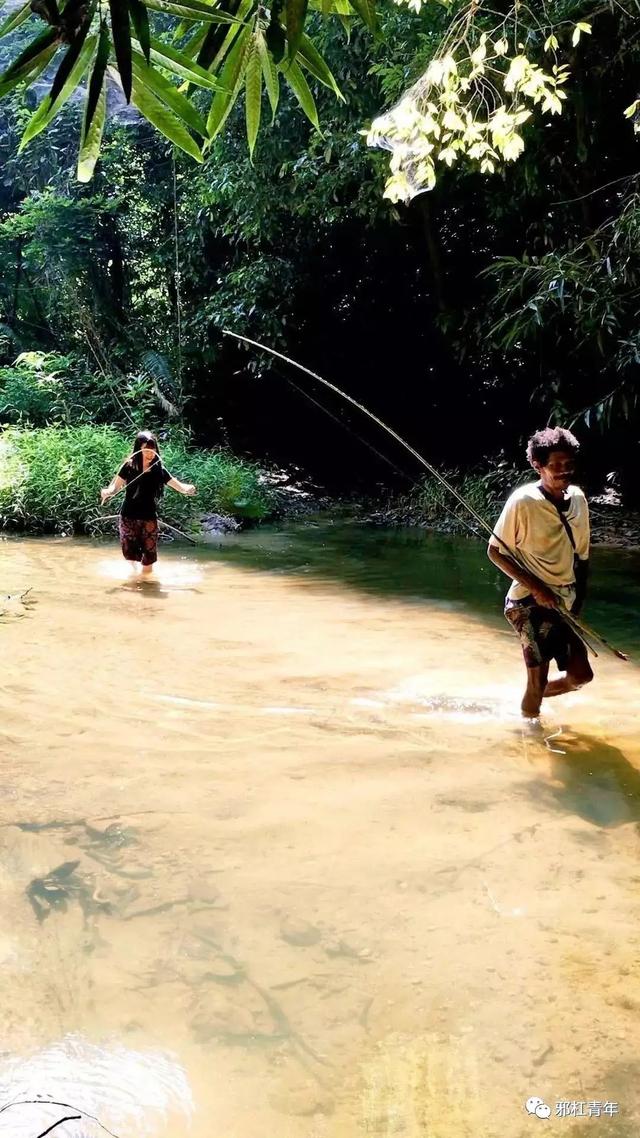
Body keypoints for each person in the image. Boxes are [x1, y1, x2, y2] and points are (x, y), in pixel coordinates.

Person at [487, 427, 593, 719]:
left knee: (581, 676)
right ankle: (530, 741)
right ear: (538, 465)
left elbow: (582, 558)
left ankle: (525, 700)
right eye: (555, 465)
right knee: (537, 682)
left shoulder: (579, 500)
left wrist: (577, 606)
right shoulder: (523, 501)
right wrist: (537, 588)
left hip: (564, 602)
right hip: (527, 602)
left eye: (568, 464)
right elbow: (495, 552)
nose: (564, 471)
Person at [100, 430, 196, 575]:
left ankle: (146, 581)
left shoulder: (159, 470)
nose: (150, 453)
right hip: (128, 516)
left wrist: (188, 489)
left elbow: (179, 487)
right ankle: (134, 576)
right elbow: (115, 487)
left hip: (148, 516)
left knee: (149, 555)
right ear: (139, 449)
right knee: (130, 552)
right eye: (146, 449)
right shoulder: (129, 466)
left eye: (153, 449)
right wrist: (108, 492)